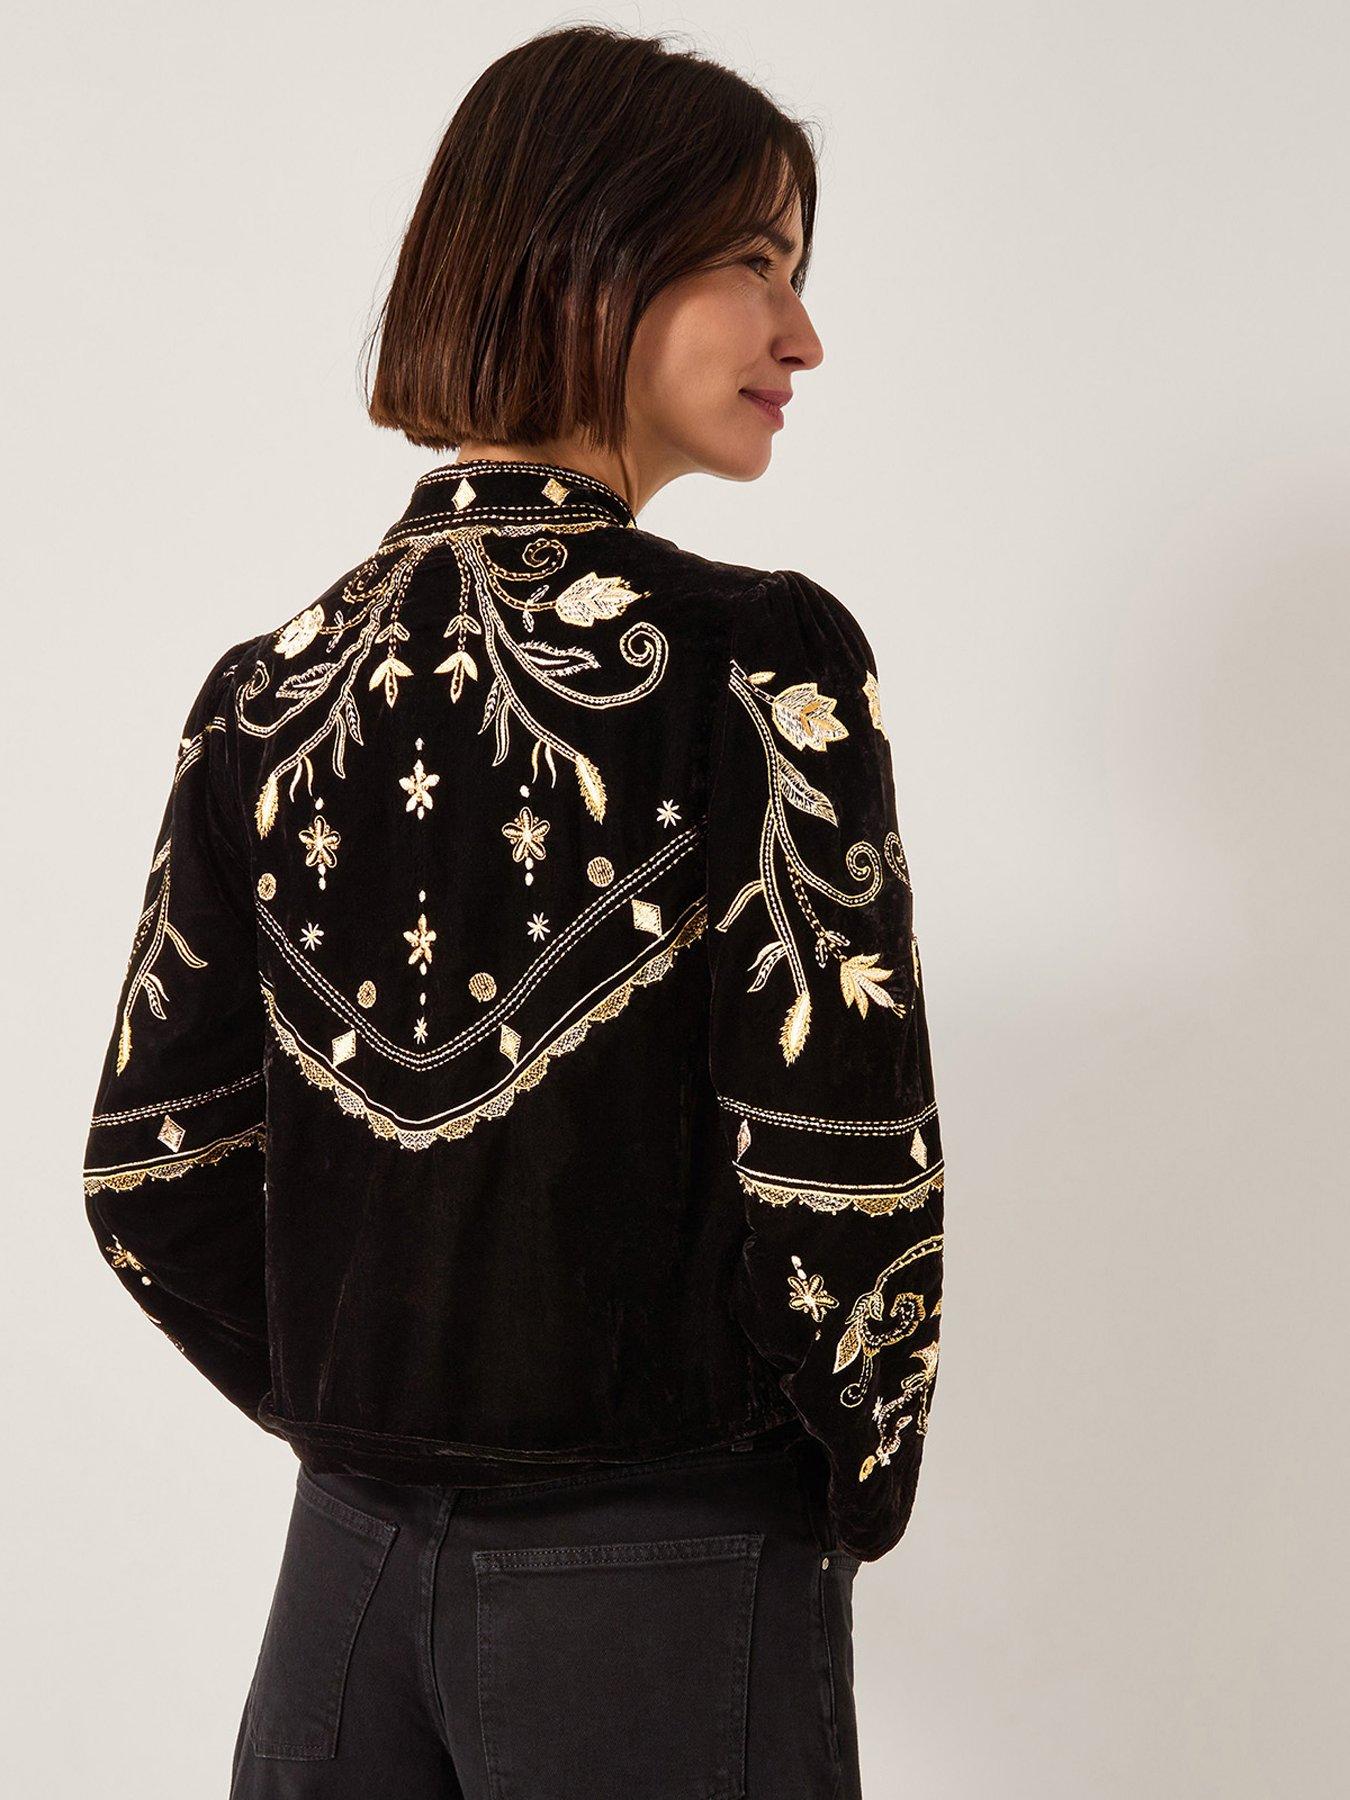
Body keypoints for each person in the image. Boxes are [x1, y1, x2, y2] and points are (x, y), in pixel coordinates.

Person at [82, 23, 946, 1798]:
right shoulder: (752, 655)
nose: (803, 336)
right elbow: (843, 1162)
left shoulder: (262, 692)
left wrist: (377, 1411)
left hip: (337, 1592)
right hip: (661, 1572)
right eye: (756, 260)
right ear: (591, 252)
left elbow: (151, 1169)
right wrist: (829, 1485)